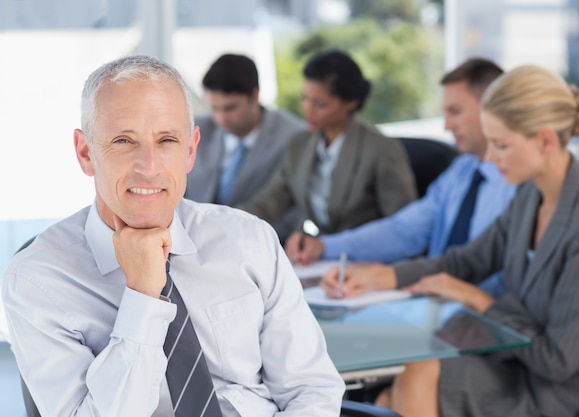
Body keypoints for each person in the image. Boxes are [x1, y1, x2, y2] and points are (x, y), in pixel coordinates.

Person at [2, 55, 344, 417]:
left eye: (166, 140)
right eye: (123, 140)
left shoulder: (250, 240)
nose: (148, 167)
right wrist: (143, 296)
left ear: (191, 150)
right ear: (86, 153)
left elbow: (311, 390)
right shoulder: (37, 280)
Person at [323, 65, 579, 417]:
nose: (491, 158)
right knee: (405, 384)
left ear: (544, 140)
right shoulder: (531, 195)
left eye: (501, 145)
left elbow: (557, 360)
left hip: (569, 388)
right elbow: (467, 260)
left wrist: (478, 299)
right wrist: (382, 276)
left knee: (415, 378)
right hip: (521, 361)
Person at [287, 58, 515, 296]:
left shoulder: (519, 185)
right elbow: (403, 230)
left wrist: (390, 276)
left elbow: (480, 267)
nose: (447, 126)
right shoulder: (461, 171)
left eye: (455, 112)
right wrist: (324, 246)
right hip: (432, 305)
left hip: (486, 314)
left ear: (493, 110)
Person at [241, 49, 417, 238]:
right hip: (319, 258)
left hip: (368, 259)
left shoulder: (381, 149)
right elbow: (270, 201)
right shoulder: (299, 144)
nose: (308, 110)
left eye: (320, 104)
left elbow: (404, 226)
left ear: (351, 102)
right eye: (304, 98)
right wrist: (227, 221)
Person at [185, 53, 306, 207]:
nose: (221, 118)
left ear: (254, 96)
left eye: (230, 108)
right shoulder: (194, 130)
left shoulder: (293, 137)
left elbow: (293, 207)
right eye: (214, 108)